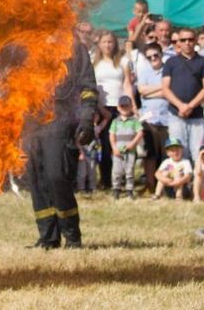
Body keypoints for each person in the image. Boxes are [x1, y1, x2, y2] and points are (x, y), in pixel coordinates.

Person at [22, 29, 99, 249]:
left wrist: (87, 117)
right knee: (37, 178)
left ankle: (72, 235)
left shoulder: (74, 47)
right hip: (31, 119)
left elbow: (88, 86)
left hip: (60, 118)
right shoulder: (26, 45)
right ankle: (48, 237)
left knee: (56, 175)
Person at [161, 26, 204, 157]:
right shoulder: (170, 62)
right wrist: (180, 106)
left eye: (190, 39)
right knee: (178, 153)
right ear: (178, 42)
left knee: (199, 153)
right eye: (183, 40)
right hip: (175, 114)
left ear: (195, 40)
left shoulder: (203, 62)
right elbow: (165, 89)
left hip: (197, 115)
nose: (187, 43)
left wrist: (190, 106)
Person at [91, 30, 132, 190]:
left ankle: (122, 179)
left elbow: (127, 83)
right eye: (104, 42)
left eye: (110, 42)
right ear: (99, 44)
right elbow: (92, 87)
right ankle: (105, 179)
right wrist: (100, 108)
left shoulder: (123, 61)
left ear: (115, 43)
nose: (108, 45)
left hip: (120, 107)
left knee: (121, 144)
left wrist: (130, 106)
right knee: (105, 146)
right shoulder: (94, 62)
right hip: (101, 108)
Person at [132, 43, 169, 192]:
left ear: (161, 54)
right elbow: (142, 90)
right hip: (149, 119)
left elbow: (169, 92)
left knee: (167, 154)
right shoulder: (144, 72)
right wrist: (163, 87)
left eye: (155, 55)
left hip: (167, 118)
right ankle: (150, 185)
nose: (153, 58)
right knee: (150, 154)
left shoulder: (168, 70)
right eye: (149, 57)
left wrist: (151, 92)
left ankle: (166, 186)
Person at [108, 95, 143, 199]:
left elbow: (140, 133)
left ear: (131, 107)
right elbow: (112, 135)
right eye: (122, 106)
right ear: (118, 108)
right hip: (117, 151)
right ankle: (116, 189)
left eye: (127, 106)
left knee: (129, 171)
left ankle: (129, 190)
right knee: (116, 171)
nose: (124, 108)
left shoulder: (134, 121)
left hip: (130, 151)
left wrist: (133, 144)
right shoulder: (115, 121)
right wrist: (114, 148)